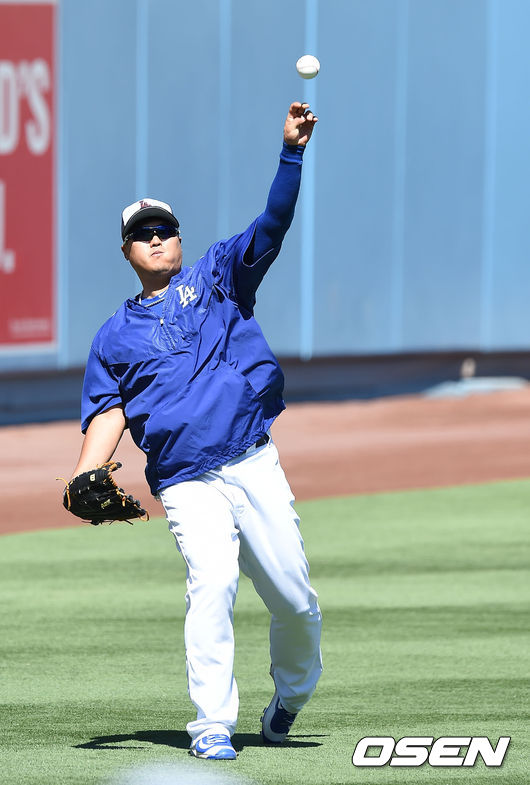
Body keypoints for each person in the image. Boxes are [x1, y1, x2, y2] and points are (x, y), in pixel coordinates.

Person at [68, 102, 323, 760]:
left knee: (294, 599)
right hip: (184, 481)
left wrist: (291, 153)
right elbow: (108, 412)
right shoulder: (113, 337)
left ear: (180, 239)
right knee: (211, 582)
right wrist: (84, 471)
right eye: (142, 234)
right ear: (126, 251)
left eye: (164, 229)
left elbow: (274, 222)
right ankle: (211, 721)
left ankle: (291, 696)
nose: (155, 239)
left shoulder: (219, 277)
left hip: (250, 460)